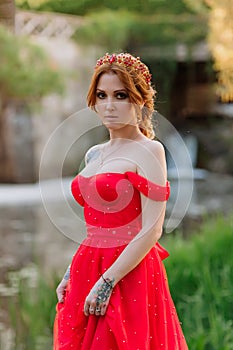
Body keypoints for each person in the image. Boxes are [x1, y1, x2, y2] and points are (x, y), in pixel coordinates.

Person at [53, 52, 188, 349]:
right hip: (87, 265)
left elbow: (153, 230)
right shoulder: (94, 154)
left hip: (128, 271)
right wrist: (69, 274)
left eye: (120, 95)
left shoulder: (150, 151)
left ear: (139, 100)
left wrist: (107, 282)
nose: (109, 105)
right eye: (102, 95)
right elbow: (96, 227)